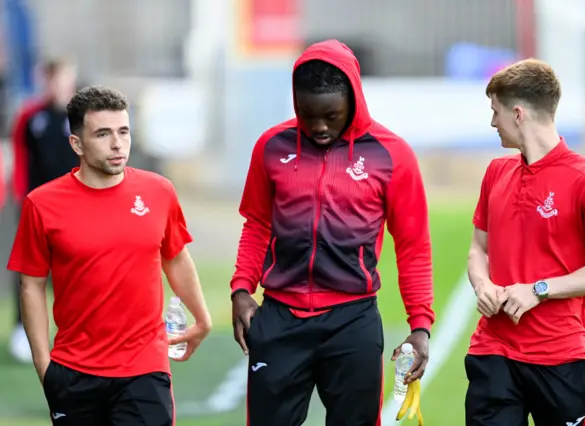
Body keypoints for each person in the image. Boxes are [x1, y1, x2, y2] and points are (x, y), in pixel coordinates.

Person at [229, 39, 435, 426]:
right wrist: (241, 288)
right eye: (306, 114)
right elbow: (257, 223)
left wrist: (419, 325)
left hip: (352, 323)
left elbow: (413, 246)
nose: (318, 126)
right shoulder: (271, 147)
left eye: (331, 115)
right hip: (279, 320)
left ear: (353, 101)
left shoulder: (391, 154)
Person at [7, 85, 212, 425]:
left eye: (123, 131)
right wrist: (44, 366)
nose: (117, 144)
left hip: (145, 368)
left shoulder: (158, 191)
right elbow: (31, 285)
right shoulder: (41, 204)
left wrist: (202, 319)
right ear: (77, 144)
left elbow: (175, 257)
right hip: (74, 372)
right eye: (103, 134)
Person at [465, 58, 585, 426]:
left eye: (496, 112)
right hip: (493, 350)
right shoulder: (496, 173)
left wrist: (538, 289)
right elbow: (479, 249)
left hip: (561, 357)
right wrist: (483, 284)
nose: (493, 122)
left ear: (518, 114)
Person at [8, 57, 79, 364]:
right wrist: (21, 198)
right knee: (30, 269)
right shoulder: (31, 116)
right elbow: (21, 157)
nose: (57, 85)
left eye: (61, 78)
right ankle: (23, 330)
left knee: (75, 268)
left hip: (74, 205)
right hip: (37, 205)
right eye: (51, 79)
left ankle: (76, 331)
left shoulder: (81, 115)